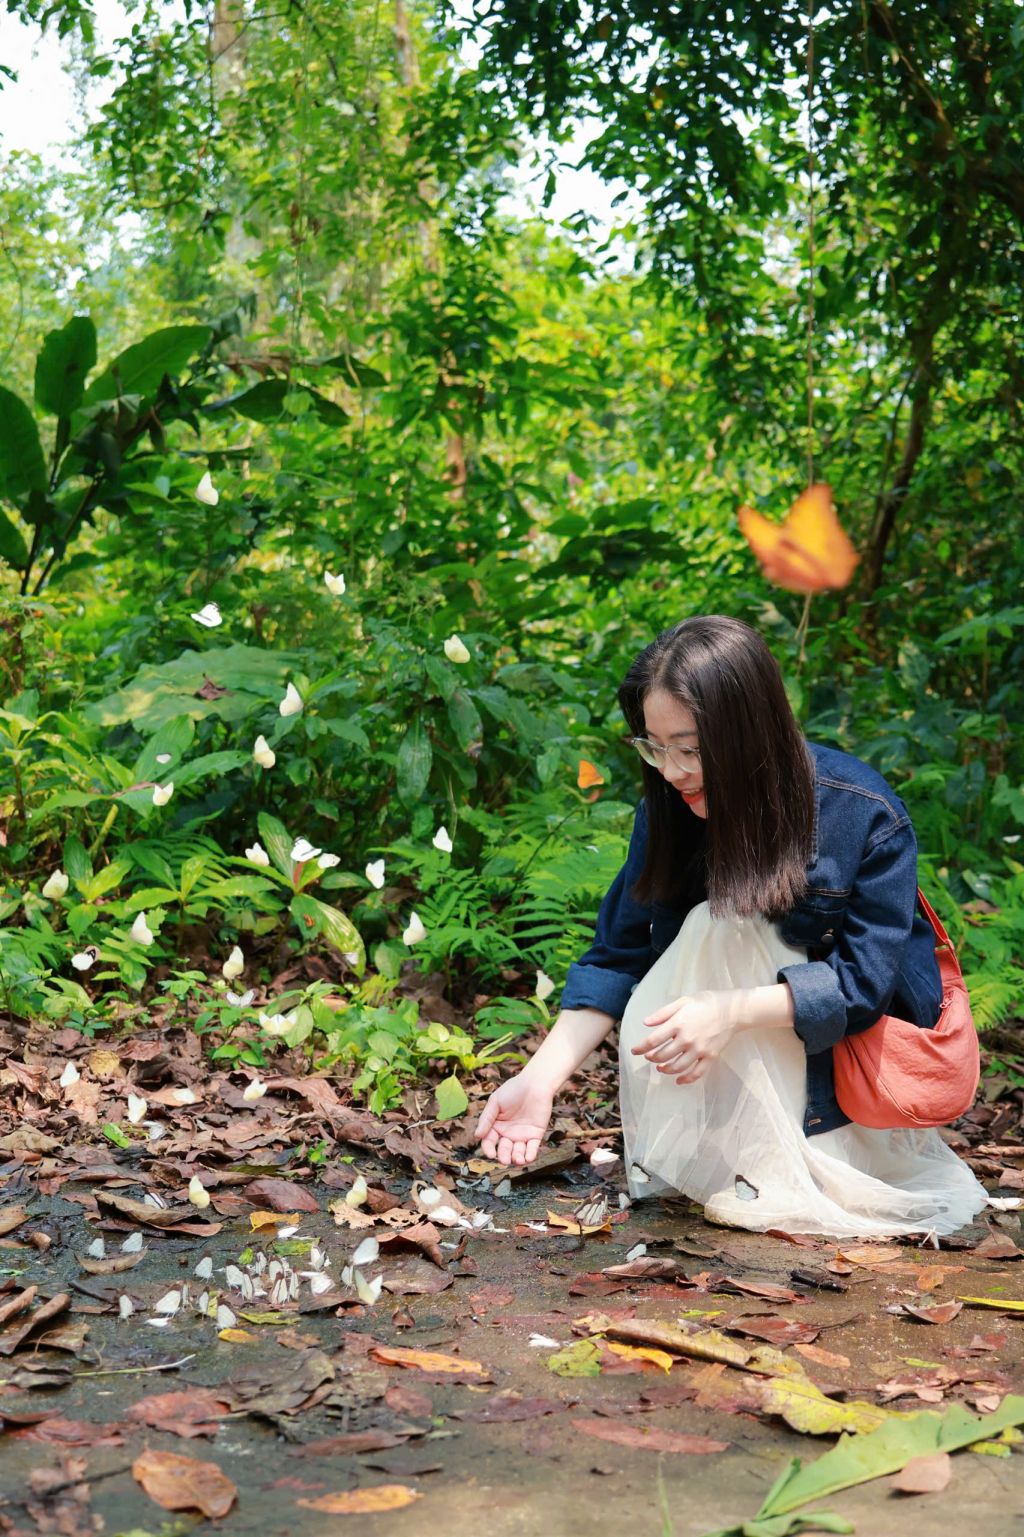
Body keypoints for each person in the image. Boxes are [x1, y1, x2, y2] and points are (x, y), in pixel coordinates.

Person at [474, 615, 988, 1237]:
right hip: (728, 1063)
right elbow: (618, 955)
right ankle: (727, 1152)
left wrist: (730, 1011)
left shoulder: (860, 812)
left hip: (845, 1066)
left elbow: (862, 986)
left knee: (728, 924)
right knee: (709, 924)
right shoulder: (668, 808)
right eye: (654, 747)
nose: (672, 772)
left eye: (690, 749)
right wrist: (539, 1080)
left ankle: (805, 1160)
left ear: (751, 732)